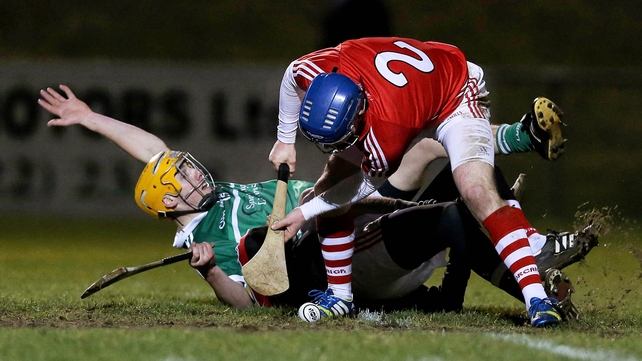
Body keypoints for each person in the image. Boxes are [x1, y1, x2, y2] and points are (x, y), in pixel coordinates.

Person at [38, 85, 594, 323]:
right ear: (167, 205)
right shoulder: (212, 236)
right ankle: (534, 261)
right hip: (339, 246)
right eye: (179, 179)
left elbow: (153, 149)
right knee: (449, 216)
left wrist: (90, 119)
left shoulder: (218, 194)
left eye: (186, 167)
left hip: (342, 207)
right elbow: (253, 300)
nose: (191, 172)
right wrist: (211, 273)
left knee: (431, 148)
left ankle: (518, 152)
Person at [267, 37, 568, 327]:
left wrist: (304, 213)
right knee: (328, 184)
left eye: (341, 140)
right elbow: (292, 74)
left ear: (359, 114)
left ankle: (537, 299)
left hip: (457, 91)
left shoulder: (389, 132)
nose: (335, 150)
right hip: (417, 82)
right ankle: (340, 297)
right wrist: (285, 140)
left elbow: (359, 188)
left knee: (475, 189)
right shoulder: (312, 69)